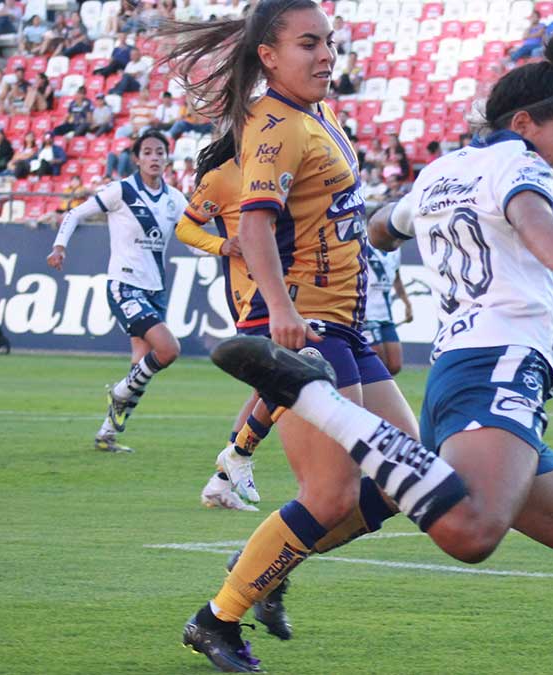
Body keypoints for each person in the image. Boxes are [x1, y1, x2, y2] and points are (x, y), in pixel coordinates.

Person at [211, 30, 553, 675]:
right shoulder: (522, 164)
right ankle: (314, 398)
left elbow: (381, 226)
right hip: (501, 363)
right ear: (524, 124)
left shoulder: (442, 170)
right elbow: (533, 215)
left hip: (466, 368)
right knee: (471, 531)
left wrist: (397, 237)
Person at [162, 3, 443, 670]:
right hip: (304, 329)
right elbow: (255, 224)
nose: (325, 55)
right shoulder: (275, 126)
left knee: (403, 476)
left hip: (343, 324)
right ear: (268, 55)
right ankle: (217, 617)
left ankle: (263, 561)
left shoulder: (318, 113)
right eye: (308, 44)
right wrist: (282, 312)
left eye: (330, 42)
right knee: (330, 495)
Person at [45, 130, 187, 453]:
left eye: (160, 152)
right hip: (124, 285)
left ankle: (106, 434)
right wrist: (59, 246)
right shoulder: (121, 190)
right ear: (136, 159)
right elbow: (76, 213)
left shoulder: (174, 199)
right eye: (148, 152)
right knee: (168, 350)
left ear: (167, 158)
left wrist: (224, 249)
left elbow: (193, 234)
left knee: (141, 366)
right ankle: (119, 392)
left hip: (155, 290)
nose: (154, 157)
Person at [169, 131, 265, 514]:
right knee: (273, 384)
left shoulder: (277, 169)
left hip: (288, 285)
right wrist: (222, 245)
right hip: (249, 293)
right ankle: (234, 461)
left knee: (269, 387)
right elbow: (186, 227)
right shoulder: (223, 177)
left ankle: (223, 477)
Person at [363, 242, 411, 375]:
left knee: (395, 365)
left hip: (386, 315)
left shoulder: (395, 249)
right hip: (367, 314)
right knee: (376, 364)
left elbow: (396, 278)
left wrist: (407, 303)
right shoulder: (364, 244)